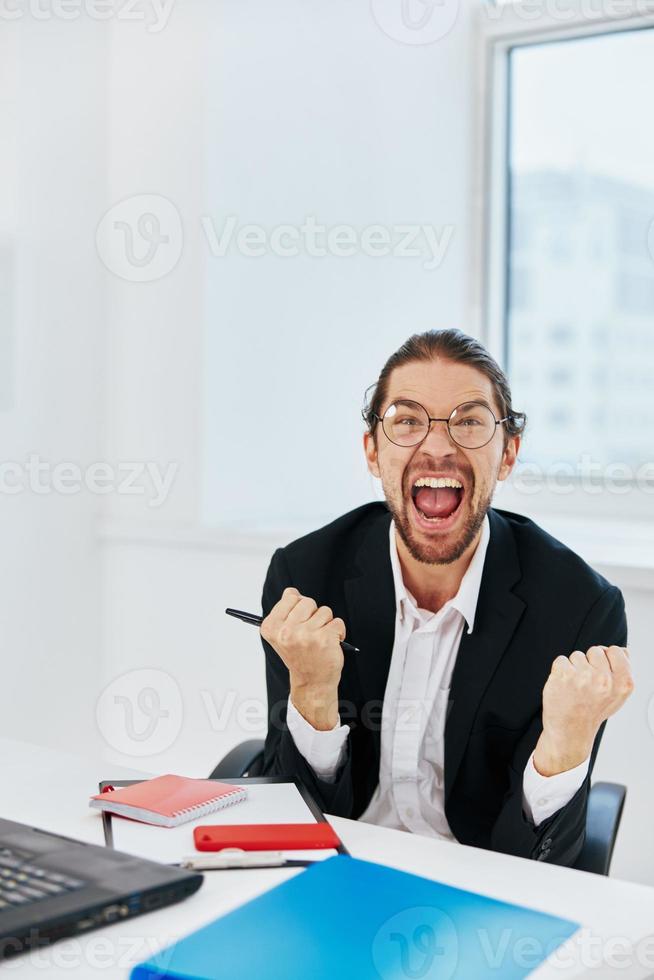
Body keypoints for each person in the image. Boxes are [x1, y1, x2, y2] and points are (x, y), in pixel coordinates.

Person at [259, 329, 633, 865]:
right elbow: (292, 818)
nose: (437, 446)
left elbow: (546, 865)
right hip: (337, 864)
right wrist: (313, 693)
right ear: (372, 450)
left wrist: (564, 743)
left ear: (507, 456)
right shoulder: (305, 575)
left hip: (480, 885)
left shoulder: (579, 608)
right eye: (407, 421)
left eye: (470, 422)